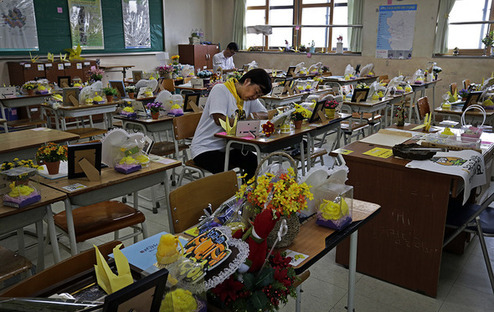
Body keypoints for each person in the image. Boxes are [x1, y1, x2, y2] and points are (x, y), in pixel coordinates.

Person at [191, 68, 272, 179]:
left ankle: (249, 194)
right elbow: (218, 119)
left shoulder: (248, 98)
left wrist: (255, 116)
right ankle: (231, 195)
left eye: (258, 96)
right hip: (206, 147)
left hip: (230, 147)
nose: (254, 97)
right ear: (247, 81)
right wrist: (244, 124)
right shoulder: (221, 90)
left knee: (253, 161)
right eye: (256, 92)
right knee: (226, 172)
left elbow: (265, 113)